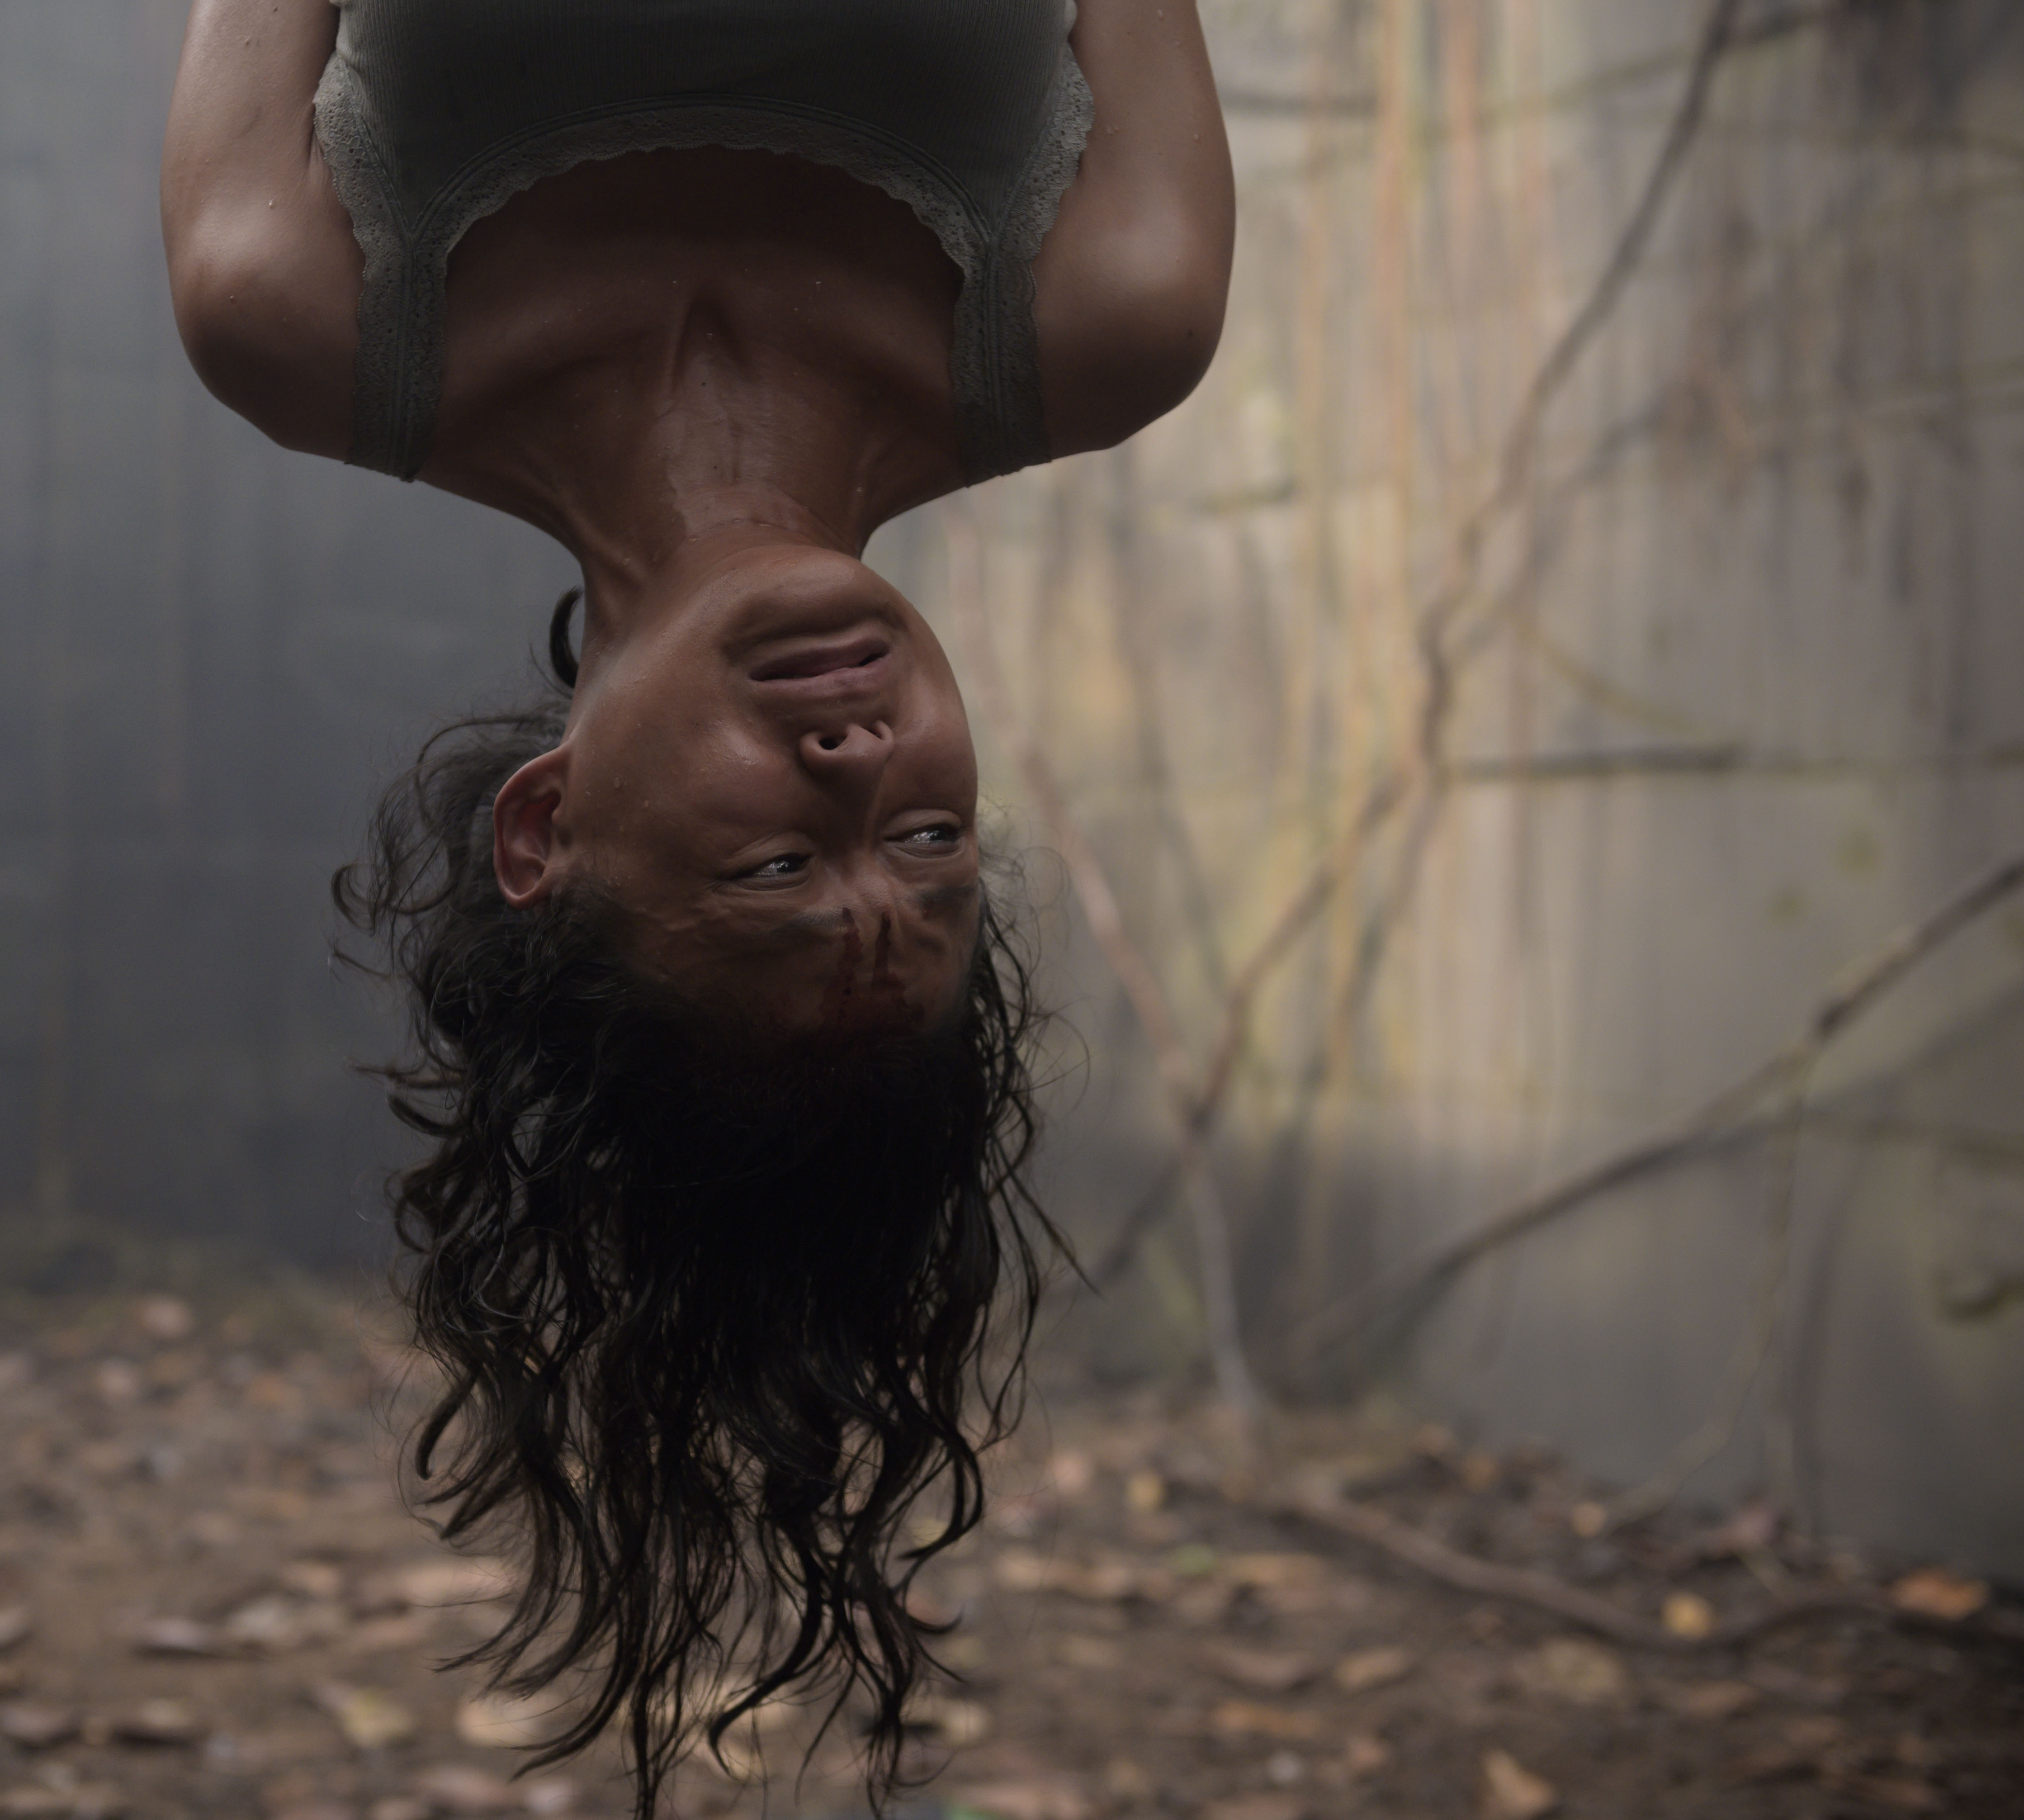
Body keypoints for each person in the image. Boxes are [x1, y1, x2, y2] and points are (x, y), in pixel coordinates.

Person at [161, 3, 1231, 1811]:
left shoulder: (286, 305)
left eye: (779, 868)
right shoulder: (1119, 311)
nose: (859, 764)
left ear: (545, 829)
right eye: (929, 844)